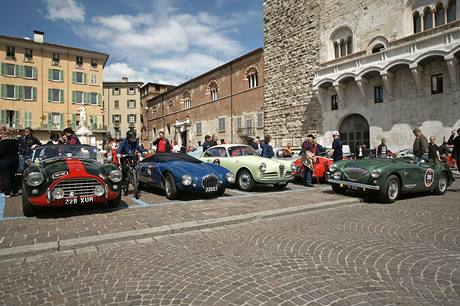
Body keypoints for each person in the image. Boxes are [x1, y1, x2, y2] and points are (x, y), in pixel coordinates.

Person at [0, 129, 20, 197]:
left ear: (5, 134)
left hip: (5, 161)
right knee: (13, 177)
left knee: (6, 177)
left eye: (2, 134)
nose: (1, 135)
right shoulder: (15, 142)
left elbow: (1, 153)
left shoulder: (3, 142)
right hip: (15, 161)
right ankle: (15, 191)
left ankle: (7, 193)